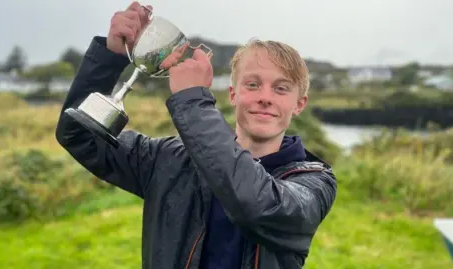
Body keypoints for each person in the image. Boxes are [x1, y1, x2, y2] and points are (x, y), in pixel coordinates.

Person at [55, 2, 337, 269]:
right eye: (252, 84)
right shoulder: (167, 159)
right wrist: (111, 57)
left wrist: (192, 102)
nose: (265, 97)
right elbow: (79, 133)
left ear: (299, 104)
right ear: (233, 93)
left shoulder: (313, 183)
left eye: (281, 88)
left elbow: (257, 205)